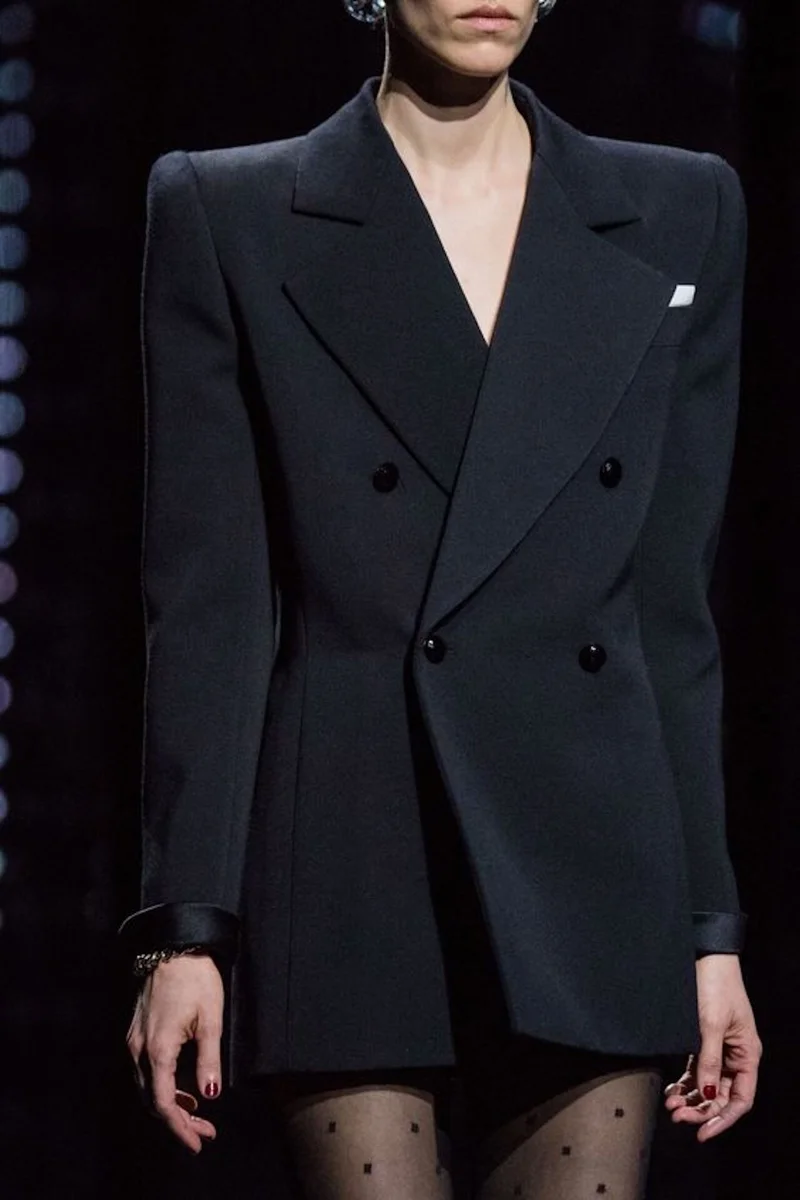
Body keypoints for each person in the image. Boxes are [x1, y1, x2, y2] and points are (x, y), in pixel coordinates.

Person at [120, 1, 762, 1196]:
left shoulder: (680, 209)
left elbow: (668, 614)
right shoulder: (227, 209)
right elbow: (210, 605)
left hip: (592, 856)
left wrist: (705, 932)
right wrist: (185, 928)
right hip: (351, 842)